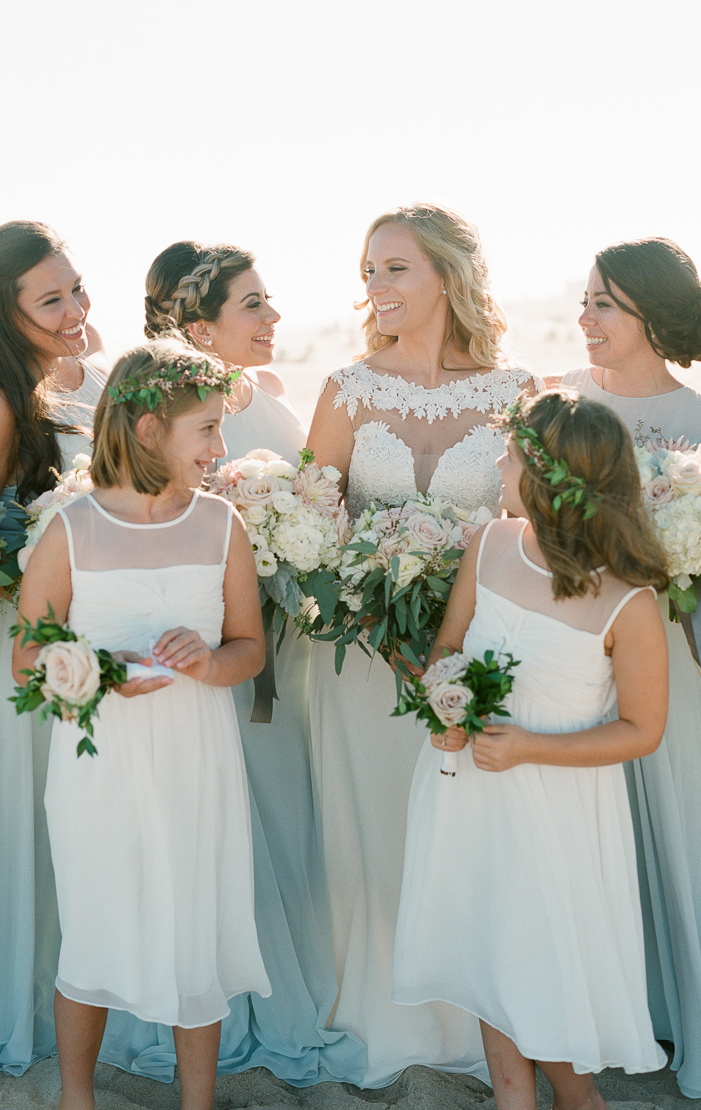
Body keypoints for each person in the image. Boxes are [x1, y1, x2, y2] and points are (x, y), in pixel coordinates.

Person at [98, 243, 365, 1087]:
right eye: (254, 304)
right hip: (201, 662)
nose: (273, 317)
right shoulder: (187, 424)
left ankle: (280, 992)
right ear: (198, 328)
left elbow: (325, 498)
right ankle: (196, 1008)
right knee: (209, 835)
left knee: (281, 822)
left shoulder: (280, 400)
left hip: (277, 652)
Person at [305, 202, 539, 1087]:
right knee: (380, 834)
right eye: (369, 270)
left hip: (479, 658)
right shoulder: (346, 389)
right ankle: (388, 1022)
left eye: (395, 268)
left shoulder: (516, 391)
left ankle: (485, 1025)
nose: (376, 286)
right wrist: (374, 617)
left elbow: (529, 530)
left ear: (446, 274)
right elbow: (314, 528)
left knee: (472, 843)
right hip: (368, 661)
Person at [12, 338, 271, 1110]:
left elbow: (251, 648)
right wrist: (96, 673)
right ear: (150, 428)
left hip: (197, 759)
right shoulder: (73, 530)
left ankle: (197, 1101)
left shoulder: (222, 524)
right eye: (207, 430)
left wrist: (211, 661)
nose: (222, 449)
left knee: (196, 918)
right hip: (101, 763)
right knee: (95, 919)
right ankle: (77, 1097)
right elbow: (28, 661)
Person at [394, 389, 669, 1110]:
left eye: (511, 456)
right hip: (471, 789)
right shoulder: (489, 544)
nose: (497, 463)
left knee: (537, 963)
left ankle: (581, 1101)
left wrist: (530, 748)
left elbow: (643, 729)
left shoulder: (628, 602)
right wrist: (442, 706)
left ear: (553, 481)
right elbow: (448, 650)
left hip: (556, 808)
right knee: (487, 949)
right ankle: (512, 1099)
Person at [0, 221, 107, 1073]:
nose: (76, 309)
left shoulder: (83, 376)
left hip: (94, 629)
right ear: (2, 311)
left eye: (78, 287)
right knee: (36, 814)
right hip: (23, 643)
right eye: (51, 299)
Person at [561, 238, 701, 1099]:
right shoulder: (562, 413)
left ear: (652, 314)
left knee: (680, 822)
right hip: (583, 660)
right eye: (583, 301)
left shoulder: (698, 423)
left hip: (677, 665)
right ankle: (616, 1011)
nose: (585, 318)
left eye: (603, 303)